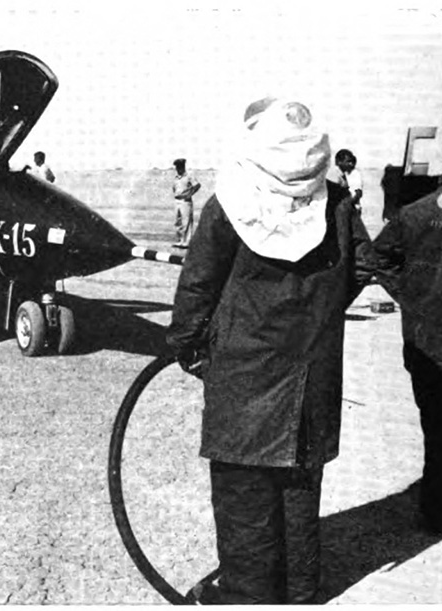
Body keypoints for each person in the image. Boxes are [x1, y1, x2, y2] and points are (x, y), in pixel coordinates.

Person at [167, 97, 372, 604]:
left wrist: (191, 347)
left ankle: (248, 597)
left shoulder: (230, 203)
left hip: (244, 377)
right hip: (311, 377)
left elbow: (197, 287)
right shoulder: (338, 203)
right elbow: (363, 266)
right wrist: (319, 317)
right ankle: (300, 595)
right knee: (300, 496)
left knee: (244, 499)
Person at [370, 132, 442, 534]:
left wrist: (411, 298)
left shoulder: (413, 212)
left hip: (422, 343)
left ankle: (434, 505)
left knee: (435, 424)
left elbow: (377, 258)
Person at [172, 158, 201, 248]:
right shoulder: (176, 178)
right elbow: (174, 189)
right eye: (177, 167)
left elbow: (197, 185)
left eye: (179, 167)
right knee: (178, 221)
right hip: (177, 201)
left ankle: (186, 242)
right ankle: (180, 240)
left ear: (183, 166)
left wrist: (189, 194)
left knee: (186, 222)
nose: (178, 169)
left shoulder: (189, 176)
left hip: (185, 202)